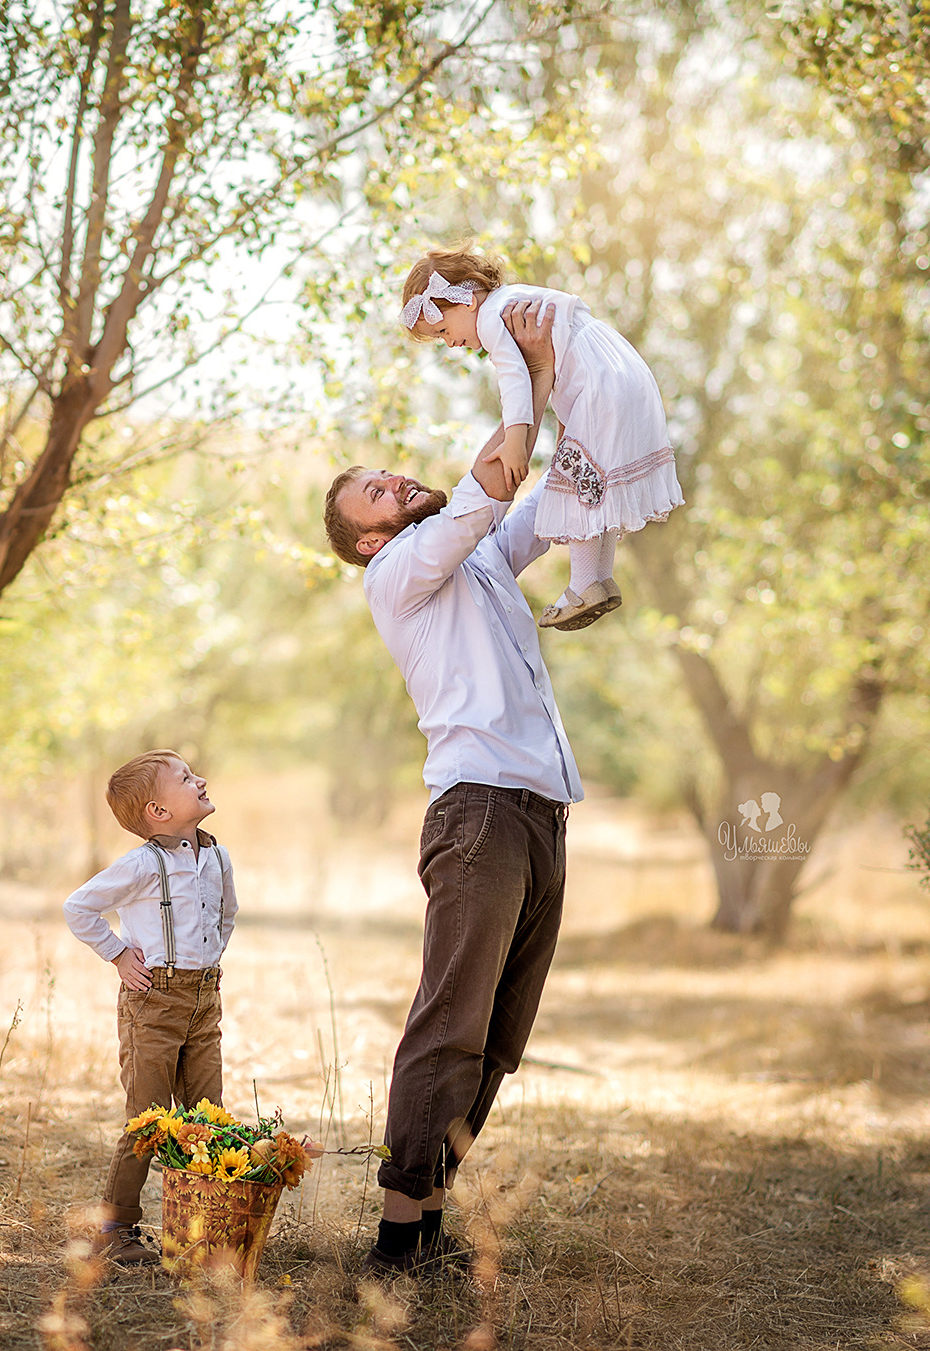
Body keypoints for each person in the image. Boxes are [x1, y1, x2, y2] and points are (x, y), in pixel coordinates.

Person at [322, 300, 579, 1276]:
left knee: (502, 1031)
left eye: (383, 475)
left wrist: (553, 378)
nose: (392, 482)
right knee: (450, 1020)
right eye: (373, 496)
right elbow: (497, 473)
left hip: (539, 810)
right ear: (367, 541)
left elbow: (542, 493)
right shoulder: (397, 575)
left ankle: (430, 1207)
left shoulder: (474, 559)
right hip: (476, 811)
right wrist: (511, 361)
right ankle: (397, 1238)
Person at [398, 242, 682, 630]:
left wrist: (515, 441)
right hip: (621, 372)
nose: (450, 343)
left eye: (444, 330)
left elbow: (515, 379)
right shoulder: (514, 299)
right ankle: (598, 578)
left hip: (596, 386)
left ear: (464, 300)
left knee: (576, 476)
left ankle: (583, 584)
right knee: (592, 479)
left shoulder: (494, 316)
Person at [62, 750, 236, 1266]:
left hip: (204, 998)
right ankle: (116, 1227)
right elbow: (79, 907)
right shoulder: (142, 865)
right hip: (153, 1004)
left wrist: (206, 963)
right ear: (159, 812)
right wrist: (117, 954)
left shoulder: (216, 856)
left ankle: (201, 1226)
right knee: (148, 1120)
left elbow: (226, 915)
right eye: (186, 778)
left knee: (209, 1116)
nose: (200, 779)